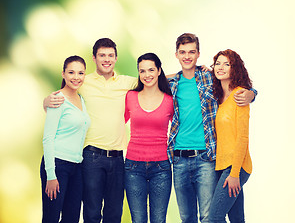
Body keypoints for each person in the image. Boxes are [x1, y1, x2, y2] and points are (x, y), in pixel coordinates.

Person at [43, 38, 137, 223]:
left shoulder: (127, 82)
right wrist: (45, 102)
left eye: (110, 55)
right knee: (91, 213)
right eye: (102, 55)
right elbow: (63, 95)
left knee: (114, 214)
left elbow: (152, 78)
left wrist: (191, 71)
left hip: (118, 158)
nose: (106, 59)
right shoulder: (83, 81)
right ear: (94, 58)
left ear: (116, 58)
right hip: (91, 157)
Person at [167, 33, 257, 223]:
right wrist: (159, 74)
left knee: (211, 217)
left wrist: (252, 93)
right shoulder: (174, 83)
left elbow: (243, 136)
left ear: (198, 53)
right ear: (176, 54)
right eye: (182, 52)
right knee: (195, 218)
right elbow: (151, 77)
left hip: (208, 159)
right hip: (182, 159)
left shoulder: (212, 80)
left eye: (192, 51)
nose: (187, 56)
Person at [124, 53, 174, 223]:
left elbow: (179, 128)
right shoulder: (130, 96)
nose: (147, 75)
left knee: (159, 220)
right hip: (132, 167)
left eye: (151, 70)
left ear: (159, 70)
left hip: (161, 167)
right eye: (142, 71)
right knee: (138, 220)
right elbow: (115, 123)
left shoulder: (170, 100)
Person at [40, 55, 90, 223]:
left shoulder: (81, 99)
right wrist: (51, 175)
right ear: (63, 74)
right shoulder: (57, 99)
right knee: (51, 218)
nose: (76, 77)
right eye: (71, 72)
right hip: (57, 165)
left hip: (77, 167)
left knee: (72, 218)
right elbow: (47, 138)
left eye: (80, 73)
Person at [208, 49, 253, 223]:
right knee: (236, 219)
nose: (221, 67)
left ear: (235, 69)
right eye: (218, 63)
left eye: (227, 64)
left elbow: (243, 137)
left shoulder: (240, 95)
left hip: (236, 167)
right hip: (221, 165)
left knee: (215, 218)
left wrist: (234, 173)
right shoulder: (219, 97)